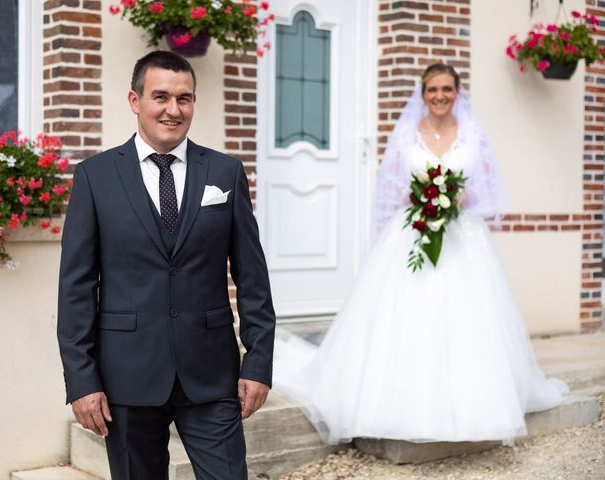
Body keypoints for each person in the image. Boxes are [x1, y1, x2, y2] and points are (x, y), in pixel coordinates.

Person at [273, 63, 568, 445]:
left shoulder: (473, 133)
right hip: (411, 232)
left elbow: (487, 188)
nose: (440, 96)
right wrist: (419, 196)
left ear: (457, 93)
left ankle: (470, 407)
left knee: (468, 318)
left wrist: (461, 196)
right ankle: (396, 403)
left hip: (463, 236)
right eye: (433, 89)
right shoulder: (408, 133)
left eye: (447, 89)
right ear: (423, 93)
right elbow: (391, 183)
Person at [57, 50, 276, 479]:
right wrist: (82, 381)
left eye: (185, 98)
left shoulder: (225, 172)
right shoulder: (94, 177)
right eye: (160, 96)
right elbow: (76, 289)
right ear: (134, 101)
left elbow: (252, 277)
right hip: (126, 378)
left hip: (212, 375)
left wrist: (258, 362)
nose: (173, 110)